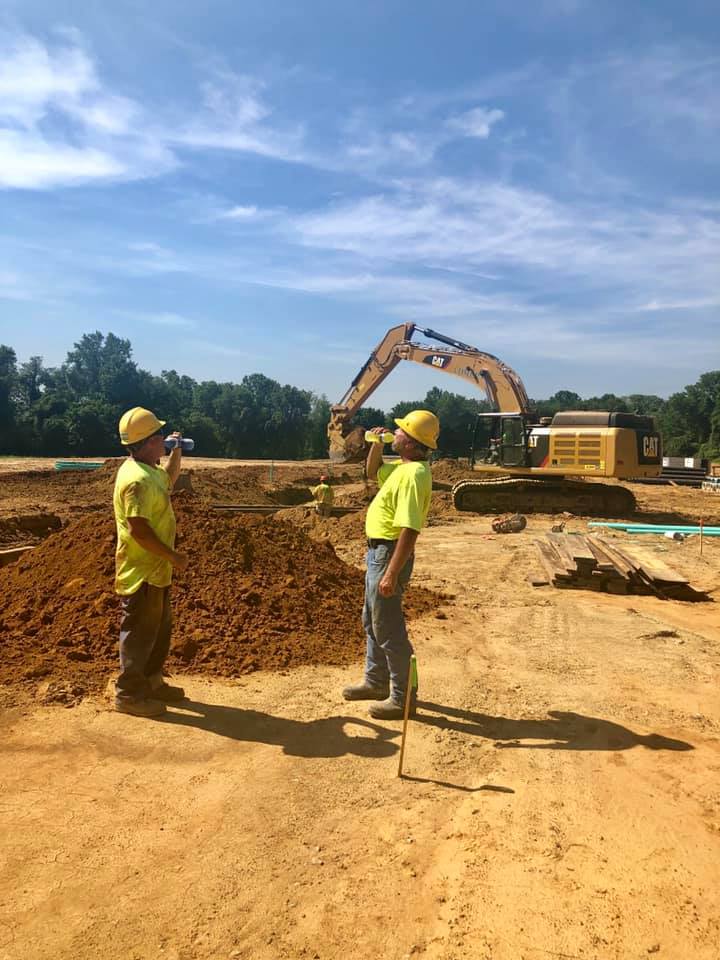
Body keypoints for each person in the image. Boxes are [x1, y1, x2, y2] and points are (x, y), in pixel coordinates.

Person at [342, 410, 439, 720]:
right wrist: (376, 444)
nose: (394, 434)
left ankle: (402, 697)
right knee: (372, 621)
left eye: (399, 432)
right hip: (377, 553)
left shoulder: (414, 476)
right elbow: (372, 473)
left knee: (389, 628)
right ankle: (376, 681)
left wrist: (392, 573)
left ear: (411, 444)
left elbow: (410, 530)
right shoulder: (402, 468)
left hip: (389, 553)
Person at [113, 406, 189, 717]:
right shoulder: (137, 481)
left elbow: (169, 479)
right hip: (142, 570)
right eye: (160, 437)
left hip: (157, 570)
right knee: (140, 632)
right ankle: (129, 694)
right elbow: (139, 531)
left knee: (159, 628)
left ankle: (152, 681)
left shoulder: (150, 470)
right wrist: (172, 555)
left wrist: (177, 452)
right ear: (146, 442)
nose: (163, 441)